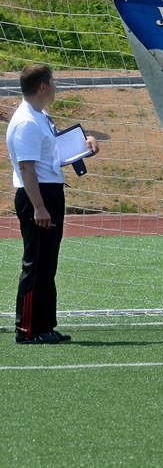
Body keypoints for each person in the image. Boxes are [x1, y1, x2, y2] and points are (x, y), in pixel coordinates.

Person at [6, 64, 99, 344]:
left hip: (49, 192)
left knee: (47, 263)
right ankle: (28, 330)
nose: (57, 85)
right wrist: (39, 207)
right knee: (36, 264)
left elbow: (52, 153)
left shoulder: (40, 115)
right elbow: (26, 168)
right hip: (38, 195)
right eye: (54, 81)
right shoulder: (26, 122)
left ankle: (44, 325)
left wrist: (85, 144)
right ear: (43, 87)